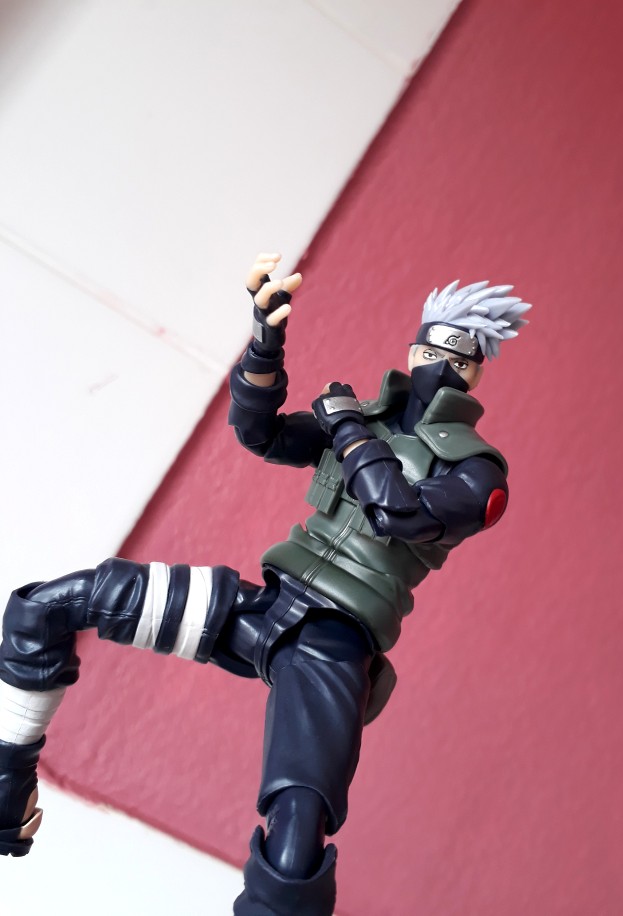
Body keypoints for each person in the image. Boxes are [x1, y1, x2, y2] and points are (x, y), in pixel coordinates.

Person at [0, 253, 530, 915]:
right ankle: (7, 789)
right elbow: (260, 433)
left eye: (456, 353)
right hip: (261, 608)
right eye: (430, 346)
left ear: (476, 368)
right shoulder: (366, 418)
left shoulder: (477, 474)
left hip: (332, 646)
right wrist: (265, 341)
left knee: (296, 829)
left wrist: (346, 428)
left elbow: (394, 512)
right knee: (49, 605)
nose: (437, 364)